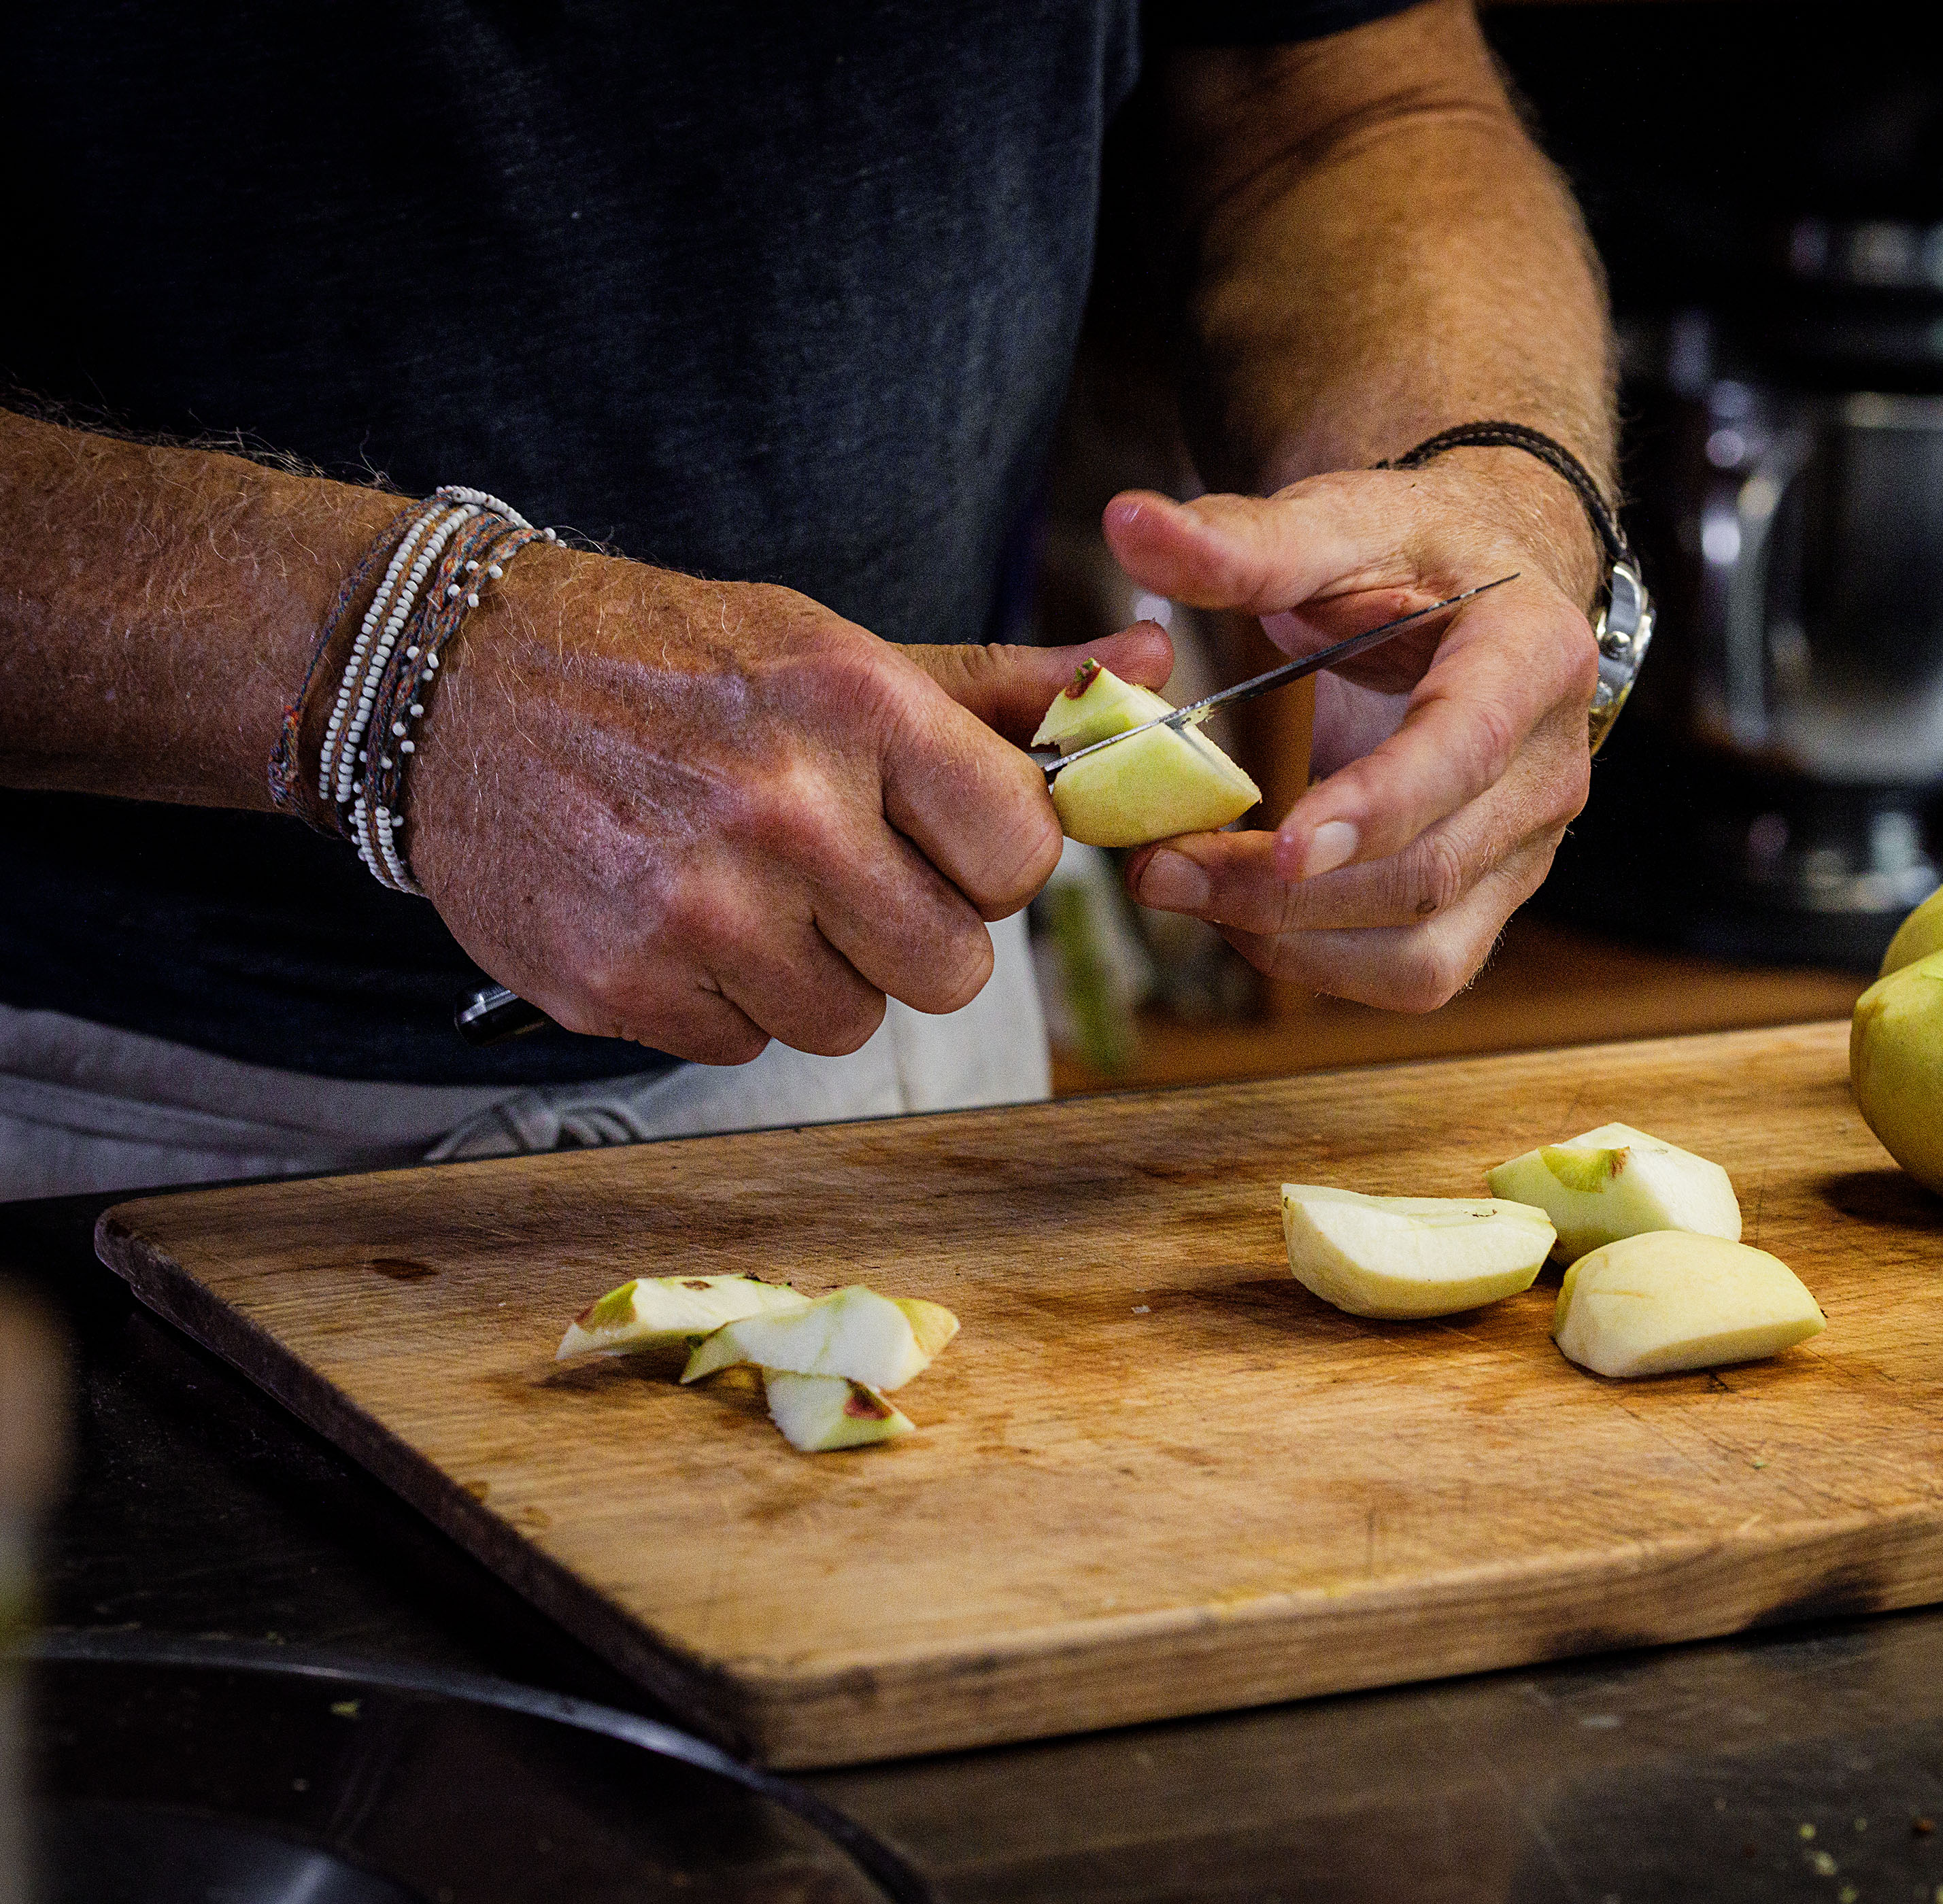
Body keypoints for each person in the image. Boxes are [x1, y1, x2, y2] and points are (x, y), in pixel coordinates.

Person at [0, 1, 1615, 1200]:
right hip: (73, 1126)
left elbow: (1335, 99)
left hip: (885, 1106)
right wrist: (377, 655)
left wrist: (1492, 480)